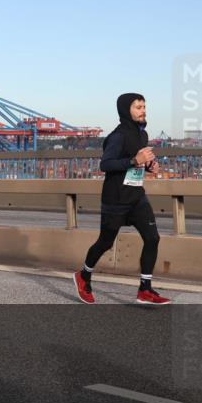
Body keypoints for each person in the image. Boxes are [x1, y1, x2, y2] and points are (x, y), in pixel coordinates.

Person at [74, 93, 171, 305]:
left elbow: (136, 163)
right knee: (105, 242)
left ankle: (145, 289)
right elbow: (105, 165)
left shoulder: (142, 136)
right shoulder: (117, 136)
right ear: (126, 110)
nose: (143, 110)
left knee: (152, 238)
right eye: (138, 107)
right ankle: (84, 276)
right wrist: (134, 160)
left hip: (137, 197)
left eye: (144, 106)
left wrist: (148, 166)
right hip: (116, 198)